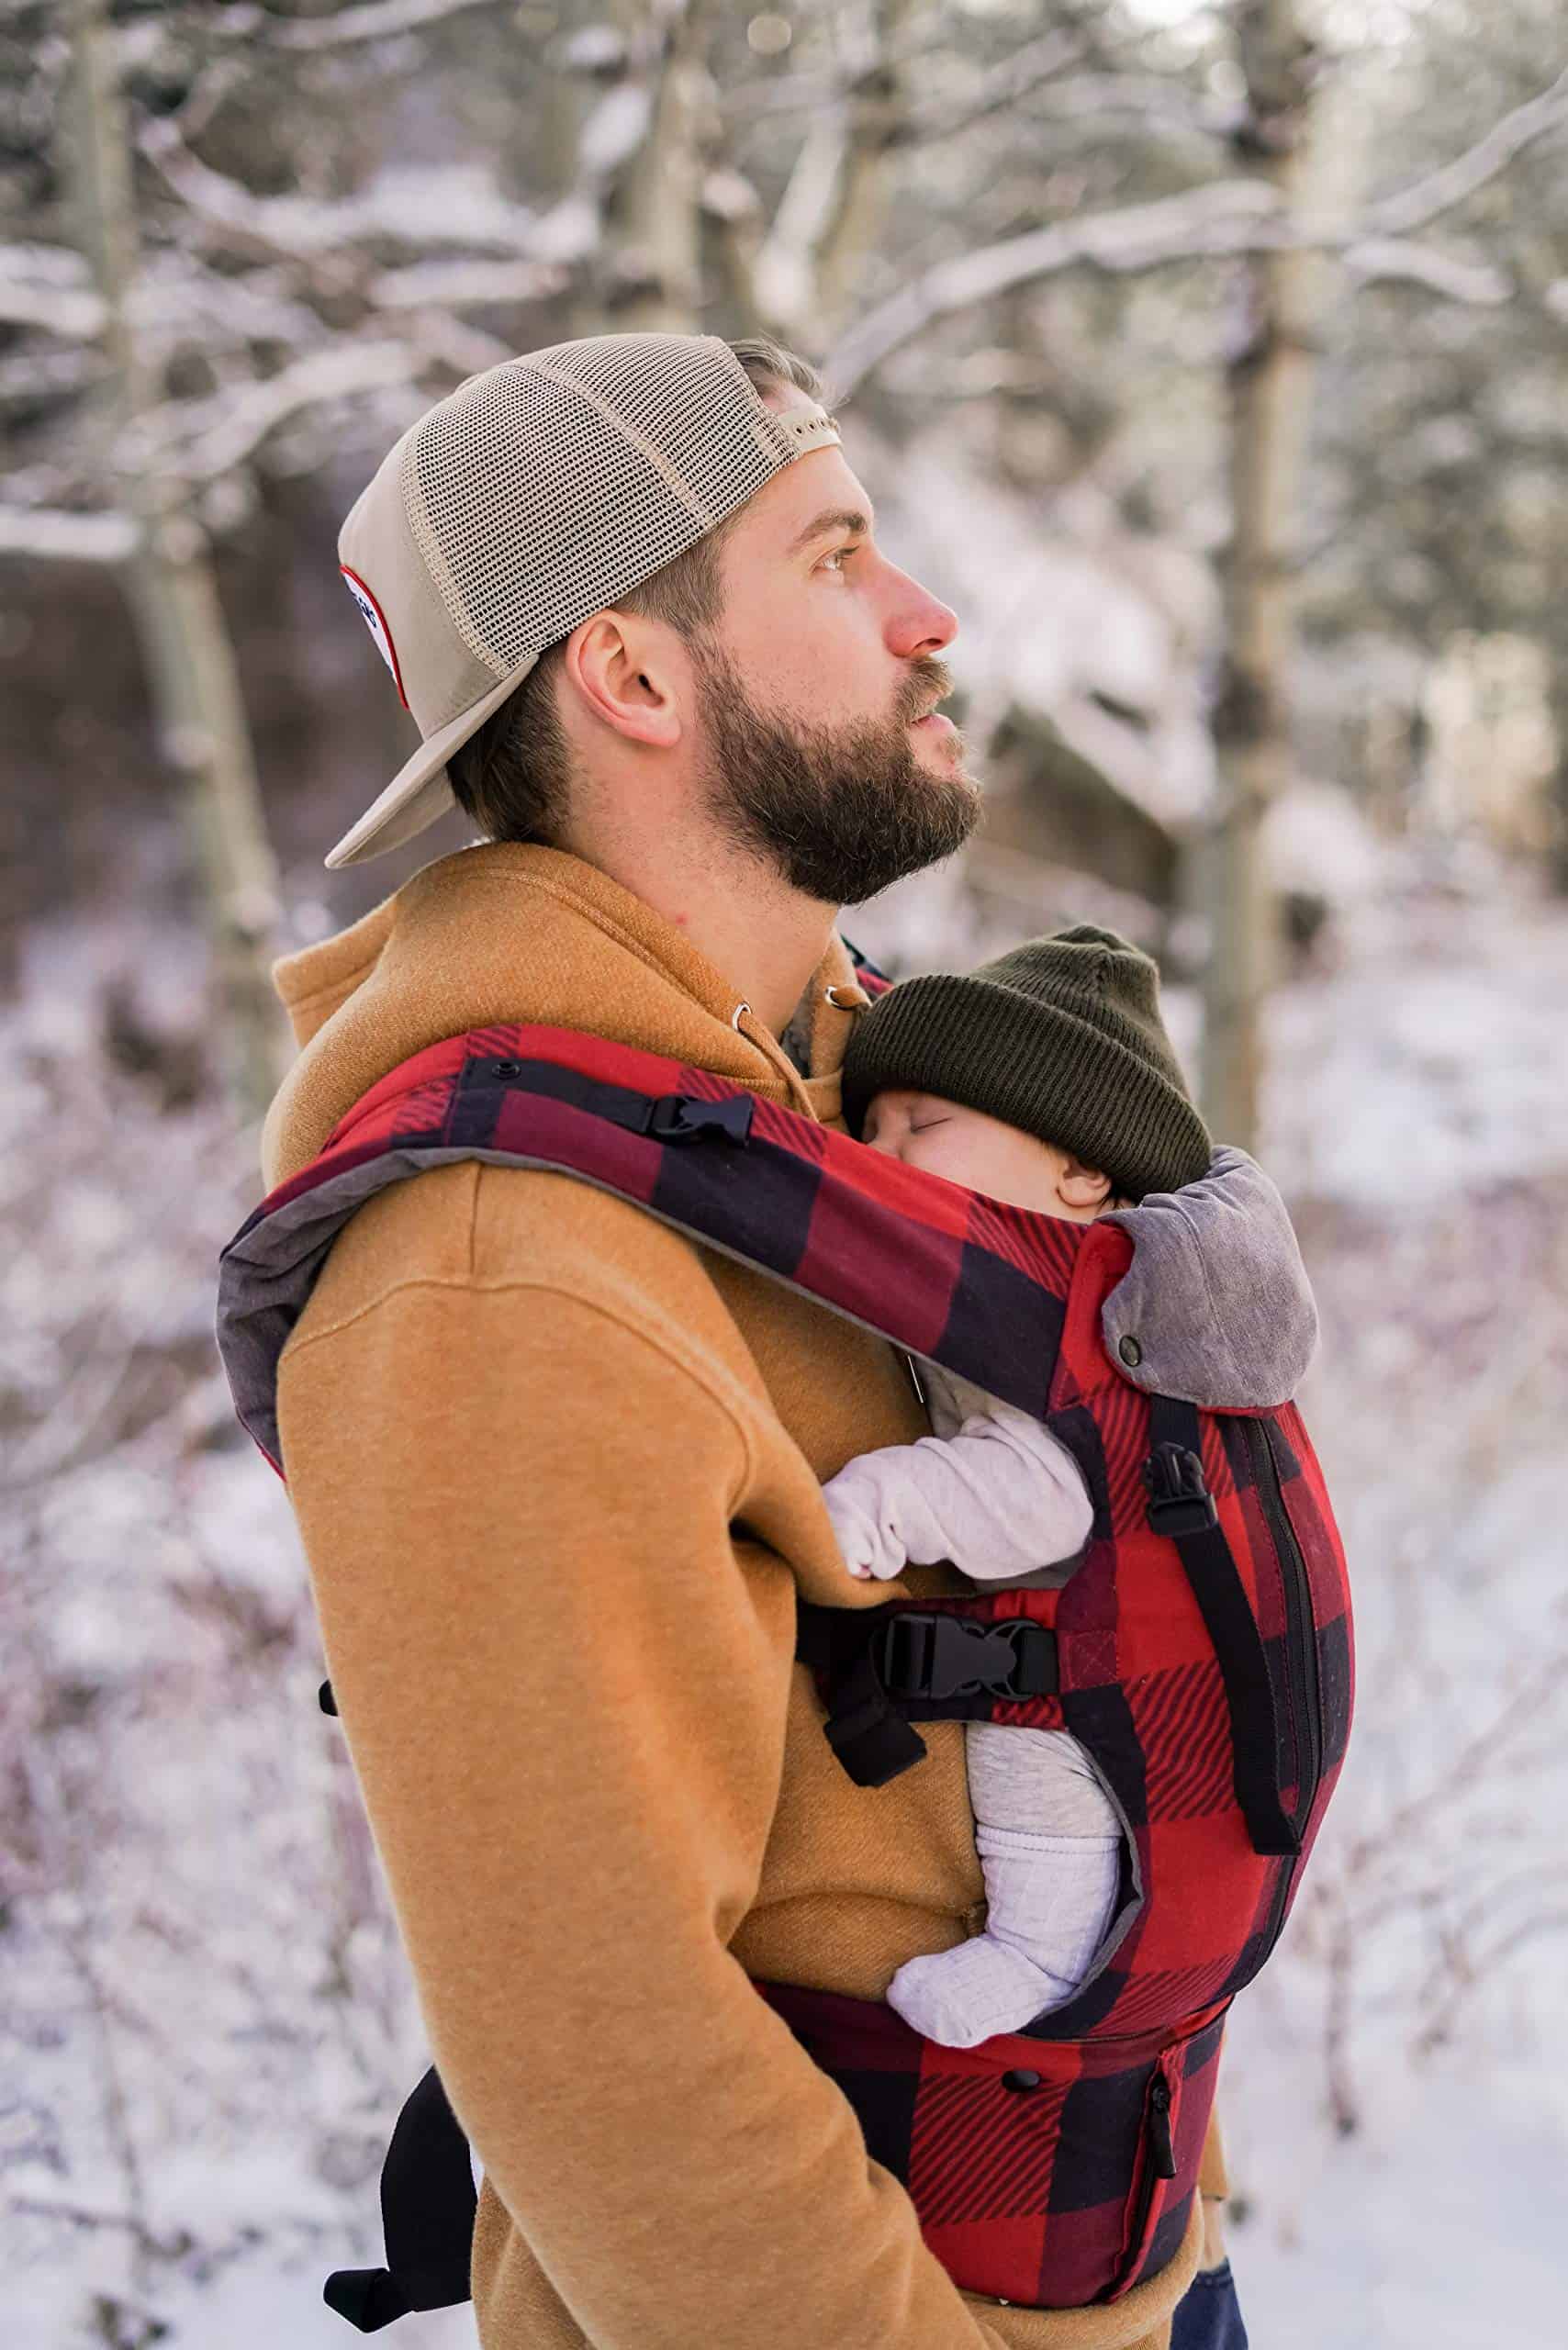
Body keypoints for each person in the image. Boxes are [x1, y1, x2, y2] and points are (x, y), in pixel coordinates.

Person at [263, 330, 1306, 2347]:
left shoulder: (845, 1089)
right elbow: (604, 2052)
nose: (926, 616)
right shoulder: (496, 1263)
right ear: (633, 676)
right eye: (832, 559)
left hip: (1118, 2246)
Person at [819, 923, 1211, 2055]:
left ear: (1082, 1168)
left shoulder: (1079, 1300)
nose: (880, 1153)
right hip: (1066, 1626)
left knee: (1043, 1766)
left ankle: (1041, 1956)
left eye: (925, 1127)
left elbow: (1053, 1487)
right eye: (869, 1127)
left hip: (1101, 1657)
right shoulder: (1021, 1272)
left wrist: (887, 1498)